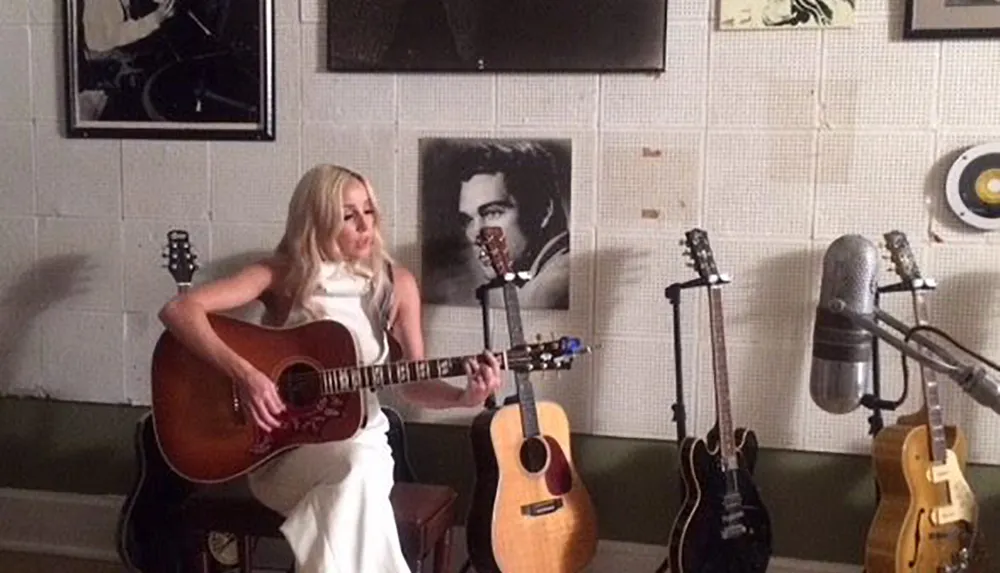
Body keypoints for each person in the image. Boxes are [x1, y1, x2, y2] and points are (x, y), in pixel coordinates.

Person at [157, 164, 503, 572]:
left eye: (369, 211)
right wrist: (245, 374)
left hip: (367, 444)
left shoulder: (396, 284)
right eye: (348, 214)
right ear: (317, 219)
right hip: (284, 452)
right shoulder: (281, 275)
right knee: (357, 480)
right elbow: (180, 309)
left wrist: (466, 396)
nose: (364, 225)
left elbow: (414, 383)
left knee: (357, 471)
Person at [422, 140, 572, 310]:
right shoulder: (540, 277)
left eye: (493, 213)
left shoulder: (552, 288)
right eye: (468, 220)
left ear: (543, 211)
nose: (474, 235)